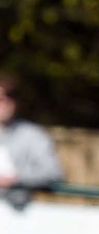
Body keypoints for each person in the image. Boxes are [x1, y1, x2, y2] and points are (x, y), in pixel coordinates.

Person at [0, 71, 65, 209]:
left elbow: (52, 173)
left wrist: (16, 179)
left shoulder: (33, 135)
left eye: (10, 97)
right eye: (0, 99)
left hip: (17, 214)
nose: (5, 103)